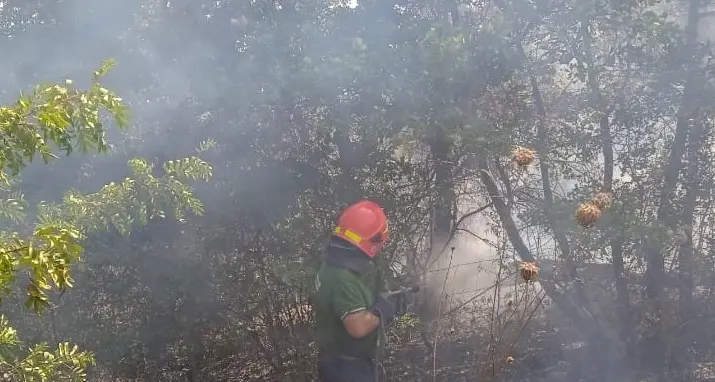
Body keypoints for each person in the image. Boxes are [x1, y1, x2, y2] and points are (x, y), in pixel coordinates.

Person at [311, 200, 402, 382]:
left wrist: (384, 302)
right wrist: (382, 309)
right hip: (348, 370)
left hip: (338, 364)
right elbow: (358, 327)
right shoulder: (342, 277)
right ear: (371, 241)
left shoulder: (331, 265)